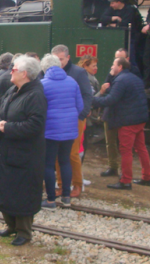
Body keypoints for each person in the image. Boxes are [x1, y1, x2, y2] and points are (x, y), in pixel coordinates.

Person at [0, 56, 47, 246]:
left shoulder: (35, 95)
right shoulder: (12, 90)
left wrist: (7, 127)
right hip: (6, 150)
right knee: (5, 189)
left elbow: (35, 125)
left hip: (25, 154)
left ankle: (24, 232)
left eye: (14, 69)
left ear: (24, 74)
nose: (11, 71)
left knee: (22, 193)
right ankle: (10, 225)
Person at [92, 57, 150, 190]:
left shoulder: (120, 80)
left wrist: (93, 100)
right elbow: (124, 95)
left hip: (128, 121)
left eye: (113, 65)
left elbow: (111, 100)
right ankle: (147, 177)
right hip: (139, 119)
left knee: (125, 151)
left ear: (120, 67)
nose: (111, 68)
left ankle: (125, 181)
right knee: (141, 148)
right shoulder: (134, 78)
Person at [39, 54, 83, 209]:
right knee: (65, 161)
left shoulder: (42, 84)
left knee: (48, 164)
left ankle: (50, 199)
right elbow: (80, 106)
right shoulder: (72, 82)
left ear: (44, 68)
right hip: (69, 129)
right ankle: (66, 197)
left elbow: (39, 109)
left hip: (50, 130)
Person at [51, 45, 92, 197]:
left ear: (68, 58)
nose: (58, 62)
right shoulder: (50, 72)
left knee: (72, 154)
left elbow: (87, 95)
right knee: (57, 154)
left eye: (61, 59)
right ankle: (62, 185)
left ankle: (77, 185)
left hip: (74, 119)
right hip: (56, 120)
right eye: (55, 59)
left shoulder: (78, 72)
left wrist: (80, 116)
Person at [98, 48, 141, 177]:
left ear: (125, 60)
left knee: (125, 145)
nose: (114, 62)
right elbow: (106, 87)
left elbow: (116, 93)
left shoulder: (133, 73)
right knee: (110, 142)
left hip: (123, 113)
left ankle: (125, 172)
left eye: (119, 58)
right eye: (115, 58)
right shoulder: (112, 72)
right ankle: (113, 167)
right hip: (111, 111)